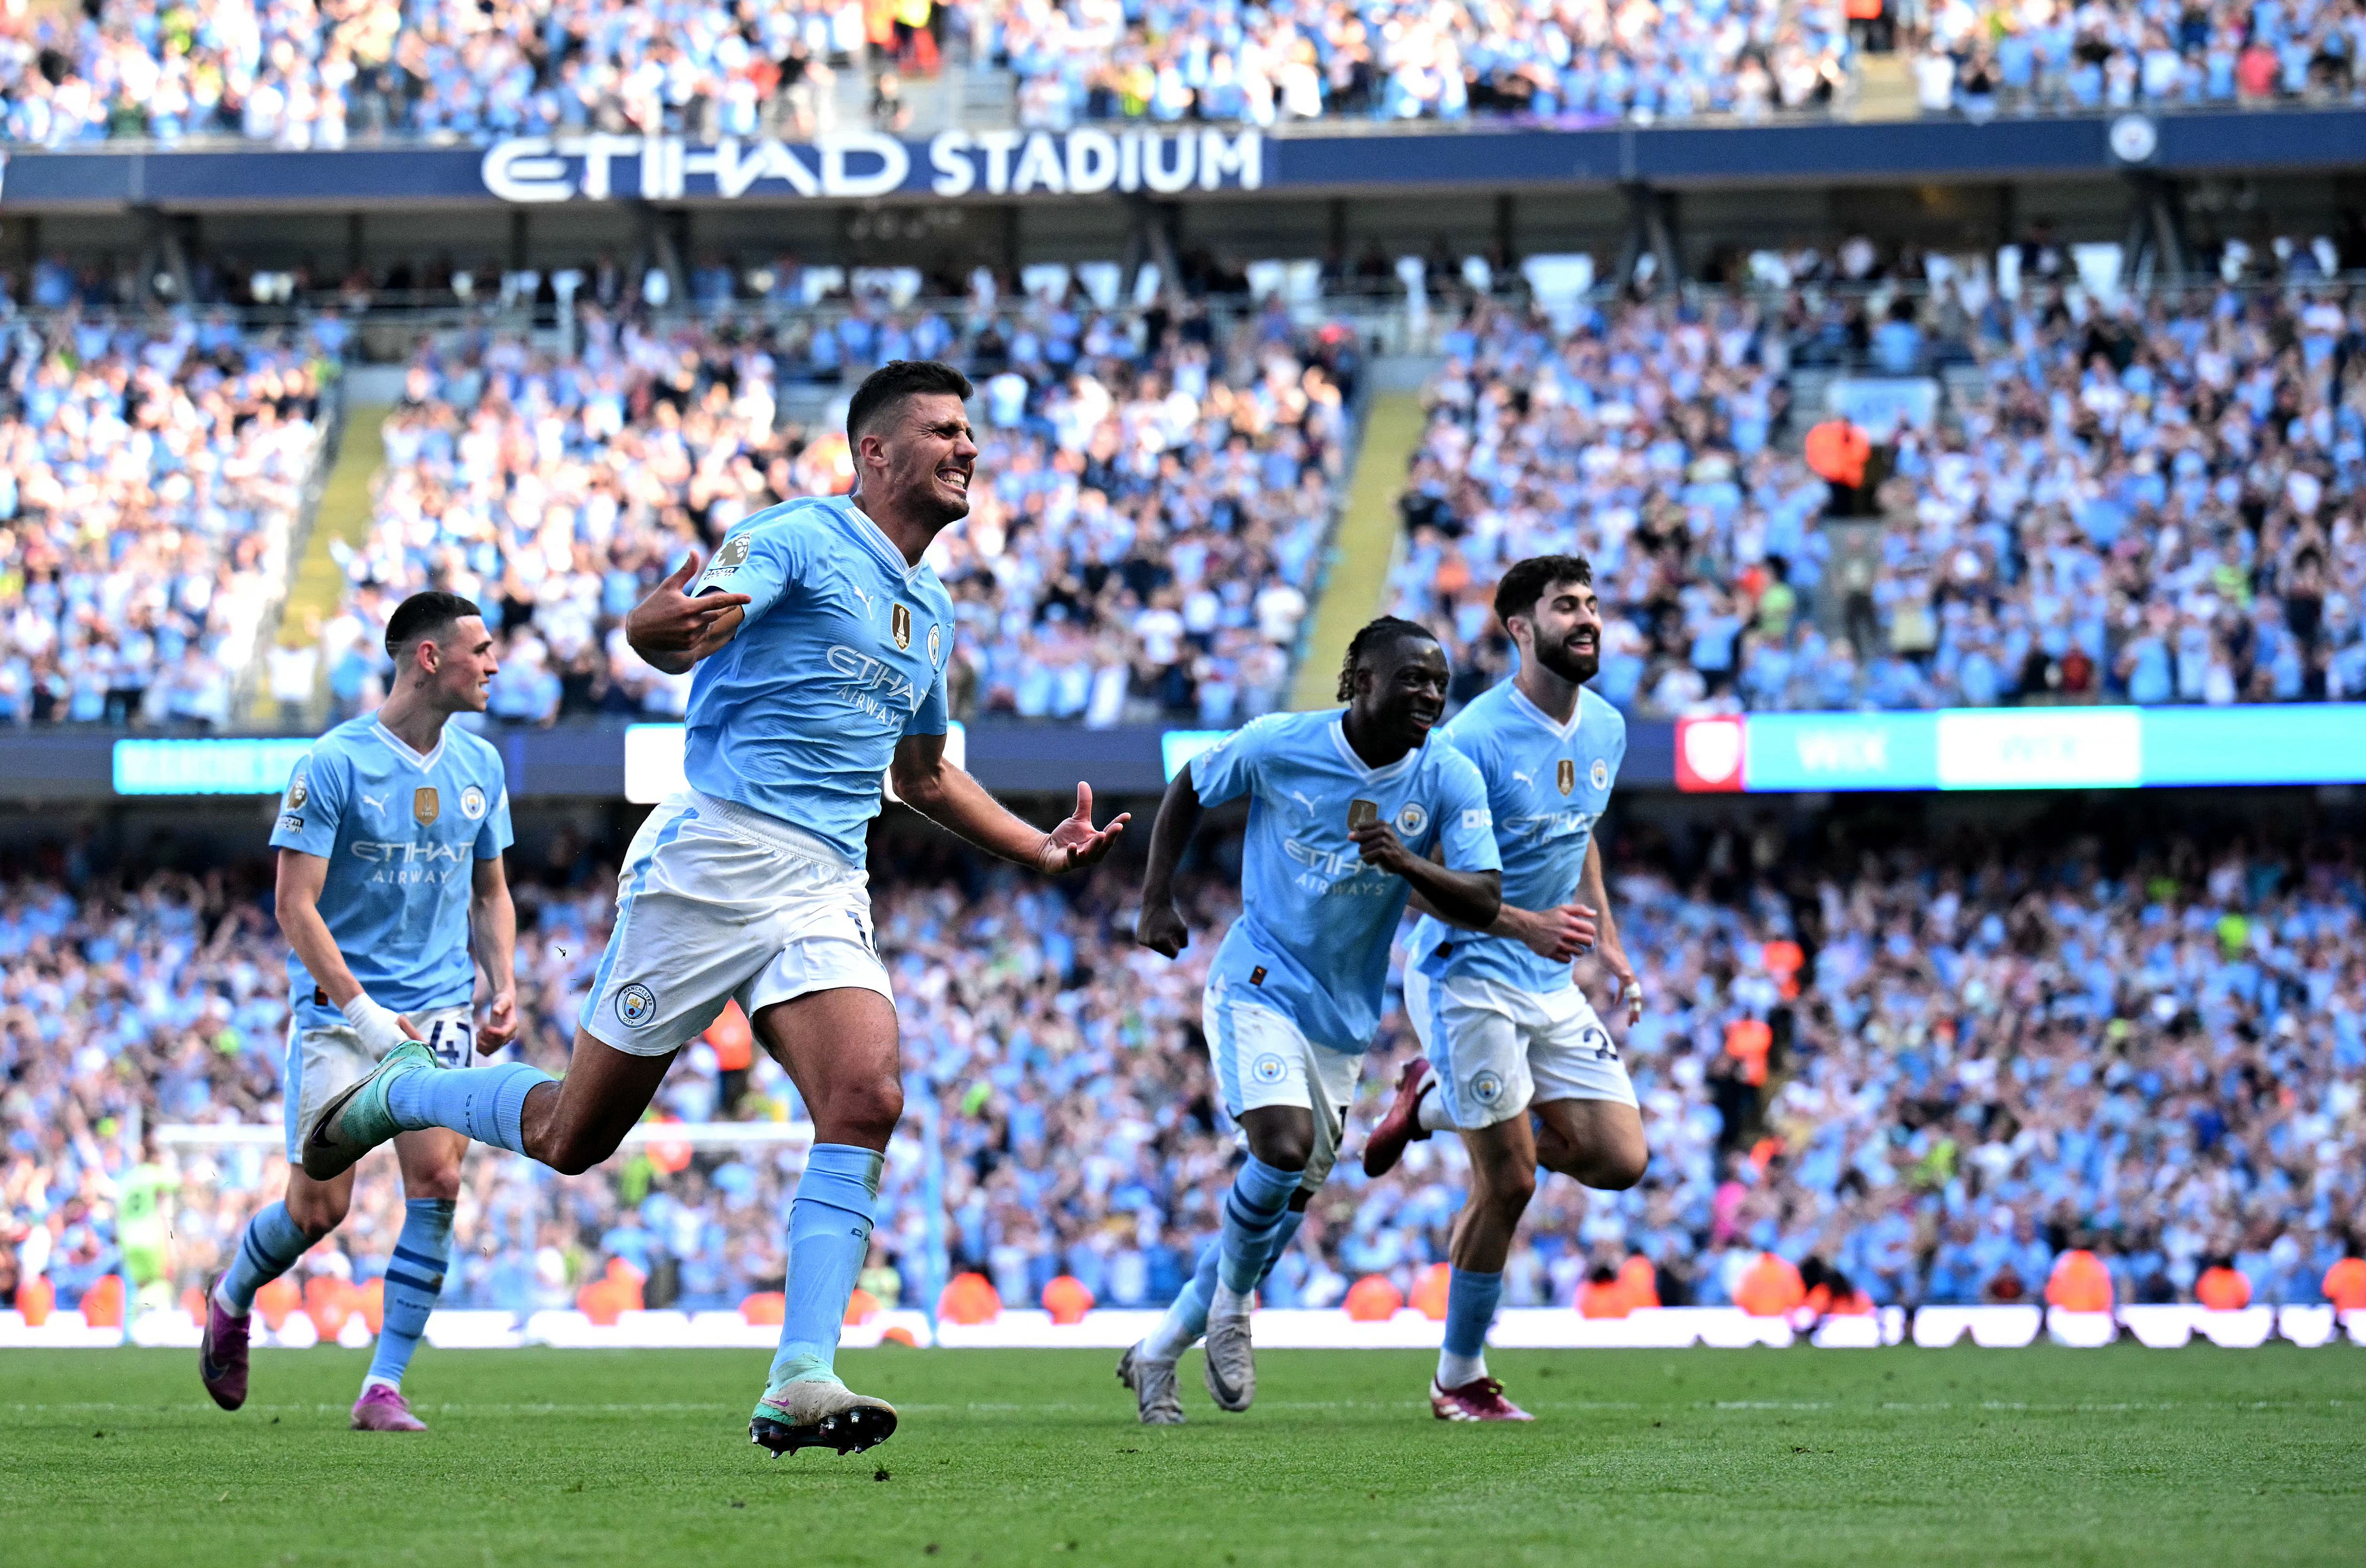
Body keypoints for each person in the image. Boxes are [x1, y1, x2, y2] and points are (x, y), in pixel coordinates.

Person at [298, 360, 1129, 1457]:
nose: (968, 448)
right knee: (570, 1135)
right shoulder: (792, 538)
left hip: (827, 879)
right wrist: (653, 634)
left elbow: (923, 776)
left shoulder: (932, 612)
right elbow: (681, 632)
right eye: (943, 431)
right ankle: (401, 1090)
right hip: (716, 857)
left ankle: (801, 1376)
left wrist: (1036, 844)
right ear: (874, 454)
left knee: (868, 1094)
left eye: (972, 432)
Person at [1117, 616, 1511, 1425]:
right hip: (1258, 979)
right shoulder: (1280, 744)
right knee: (1282, 1146)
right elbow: (1192, 781)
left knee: (1281, 1212)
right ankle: (1231, 1308)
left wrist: (1405, 860)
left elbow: (1485, 899)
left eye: (1439, 682)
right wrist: (1156, 897)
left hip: (1343, 1019)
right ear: (1359, 680)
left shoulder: (1447, 778)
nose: (1430, 695)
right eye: (1411, 679)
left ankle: (1158, 1350)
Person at [196, 590, 520, 1433]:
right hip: (344, 1015)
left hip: (442, 1006)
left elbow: (491, 892)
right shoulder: (334, 763)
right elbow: (293, 906)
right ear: (427, 657)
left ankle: (384, 1385)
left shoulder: (480, 766)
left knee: (439, 1179)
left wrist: (505, 979)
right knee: (319, 1211)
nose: (494, 662)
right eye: (480, 648)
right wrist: (365, 1011)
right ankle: (231, 1296)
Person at [1358, 553, 1650, 1423]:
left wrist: (1615, 947)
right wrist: (1525, 923)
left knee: (1619, 1158)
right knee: (1511, 1179)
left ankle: (1433, 1100)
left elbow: (1579, 831)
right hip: (1467, 973)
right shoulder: (1471, 740)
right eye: (1568, 606)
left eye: (1594, 604)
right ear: (1520, 629)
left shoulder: (1606, 727)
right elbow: (1401, 871)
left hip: (1550, 978)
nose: (1588, 618)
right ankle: (1459, 1379)